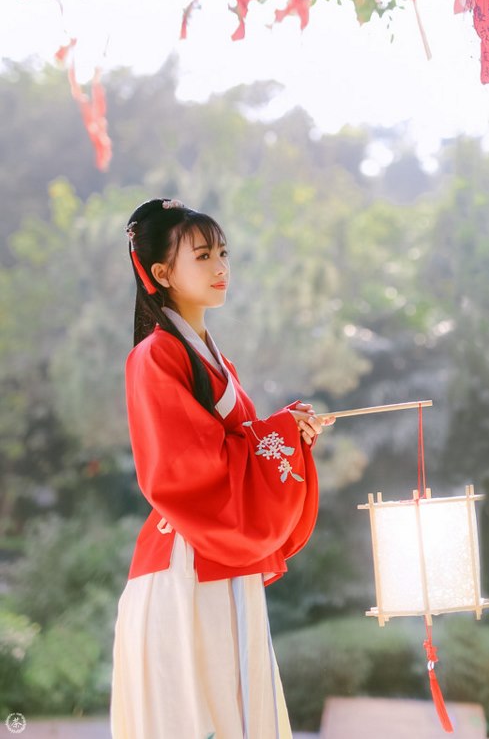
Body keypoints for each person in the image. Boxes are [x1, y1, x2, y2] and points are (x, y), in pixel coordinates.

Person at [110, 198, 331, 739]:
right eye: (204, 255)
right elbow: (189, 467)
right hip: (188, 562)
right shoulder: (155, 356)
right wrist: (276, 433)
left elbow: (245, 445)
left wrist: (287, 430)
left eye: (223, 253)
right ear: (161, 273)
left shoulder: (212, 358)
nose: (221, 267)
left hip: (212, 558)